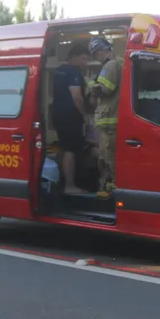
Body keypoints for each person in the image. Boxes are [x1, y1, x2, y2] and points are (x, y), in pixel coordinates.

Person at [51, 42, 90, 195]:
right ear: (73, 57)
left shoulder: (59, 71)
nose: (85, 63)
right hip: (70, 116)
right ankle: (70, 185)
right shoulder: (73, 72)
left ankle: (62, 182)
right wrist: (85, 114)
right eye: (83, 59)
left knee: (64, 147)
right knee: (71, 150)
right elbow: (77, 96)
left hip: (58, 114)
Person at [87, 36, 122, 198]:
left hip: (109, 120)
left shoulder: (110, 65)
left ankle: (110, 189)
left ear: (100, 51)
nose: (96, 57)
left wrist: (90, 85)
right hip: (113, 118)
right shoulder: (118, 62)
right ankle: (107, 187)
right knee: (108, 156)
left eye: (95, 54)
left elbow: (105, 90)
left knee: (108, 158)